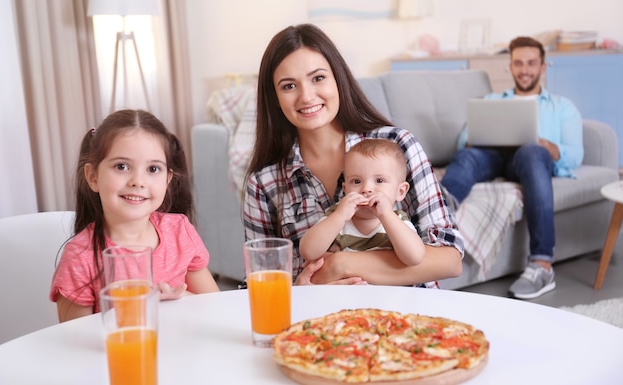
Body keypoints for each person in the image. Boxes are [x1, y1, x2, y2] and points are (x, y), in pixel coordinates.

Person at [243, 23, 463, 287]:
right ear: (275, 98)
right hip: (321, 321)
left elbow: (449, 260)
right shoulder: (264, 183)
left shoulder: (397, 144)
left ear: (338, 78)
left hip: (410, 317)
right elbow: (259, 284)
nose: (307, 96)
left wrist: (340, 266)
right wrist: (301, 288)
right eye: (289, 86)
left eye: (318, 78)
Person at [441, 36, 584, 300]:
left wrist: (549, 147)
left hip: (530, 163)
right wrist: (475, 137)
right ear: (510, 66)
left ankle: (542, 265)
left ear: (543, 67)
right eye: (518, 63)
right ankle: (437, 213)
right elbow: (463, 142)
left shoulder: (562, 107)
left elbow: (575, 155)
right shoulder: (493, 99)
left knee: (532, 151)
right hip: (494, 158)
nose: (525, 70)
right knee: (470, 153)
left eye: (531, 63)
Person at [51, 109, 219, 322]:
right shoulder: (80, 257)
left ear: (168, 179)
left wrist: (181, 297)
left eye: (153, 169)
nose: (138, 181)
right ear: (93, 176)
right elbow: (74, 345)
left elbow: (215, 308)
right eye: (122, 166)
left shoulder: (179, 231)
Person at [300, 139, 425, 268]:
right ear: (345, 189)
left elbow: (414, 258)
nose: (366, 188)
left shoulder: (397, 221)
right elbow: (308, 252)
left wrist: (386, 215)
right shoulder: (337, 216)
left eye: (379, 180)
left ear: (400, 191)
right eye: (356, 181)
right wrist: (340, 216)